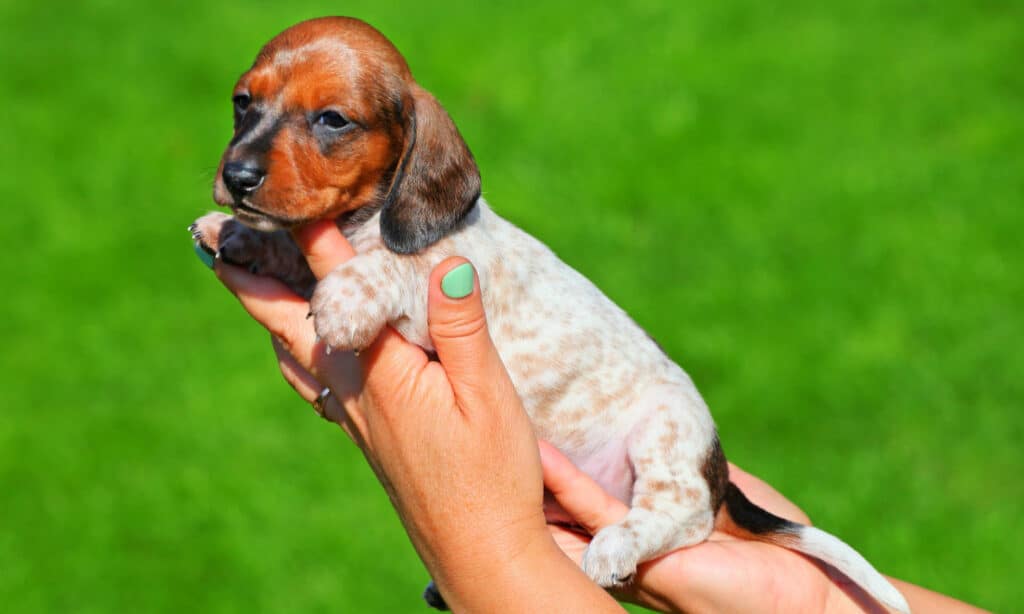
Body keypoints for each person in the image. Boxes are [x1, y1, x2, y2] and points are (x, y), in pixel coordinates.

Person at [204, 219, 985, 613]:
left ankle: (663, 523)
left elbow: (402, 299)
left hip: (629, 436)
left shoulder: (451, 233)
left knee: (667, 421)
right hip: (554, 454)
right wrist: (808, 604)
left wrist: (491, 559)